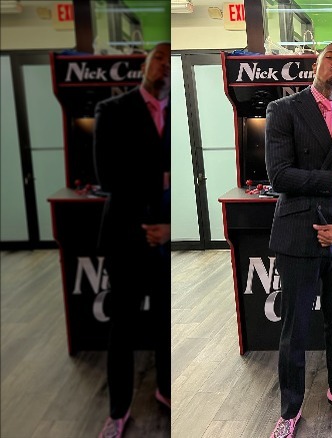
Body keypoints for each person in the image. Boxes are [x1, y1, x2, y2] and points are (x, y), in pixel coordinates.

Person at [264, 42, 332, 438]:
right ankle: (289, 410)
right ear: (316, 65)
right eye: (331, 58)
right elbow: (279, 176)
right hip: (299, 235)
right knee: (294, 328)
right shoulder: (284, 111)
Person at [93, 42, 171, 438]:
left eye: (167, 58)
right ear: (145, 64)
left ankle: (164, 389)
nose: (162, 63)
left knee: (164, 323)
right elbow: (109, 177)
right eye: (157, 56)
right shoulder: (113, 111)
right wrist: (160, 178)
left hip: (166, 241)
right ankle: (118, 410)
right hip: (125, 237)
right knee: (121, 328)